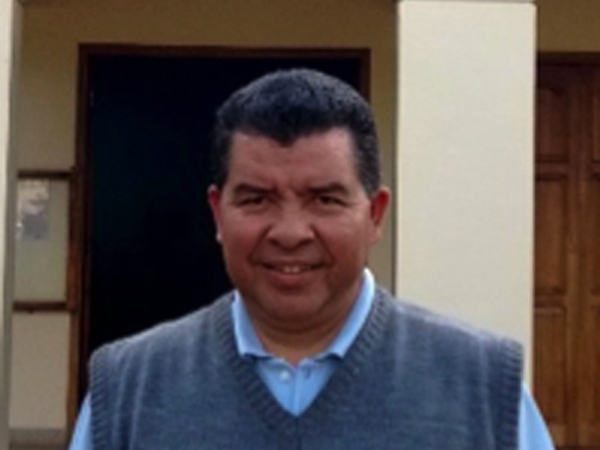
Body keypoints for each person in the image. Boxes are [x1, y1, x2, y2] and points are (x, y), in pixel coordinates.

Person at [68, 69, 554, 449]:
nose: (290, 233)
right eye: (257, 199)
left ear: (375, 214)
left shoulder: (484, 389)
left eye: (324, 200)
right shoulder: (128, 390)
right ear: (218, 213)